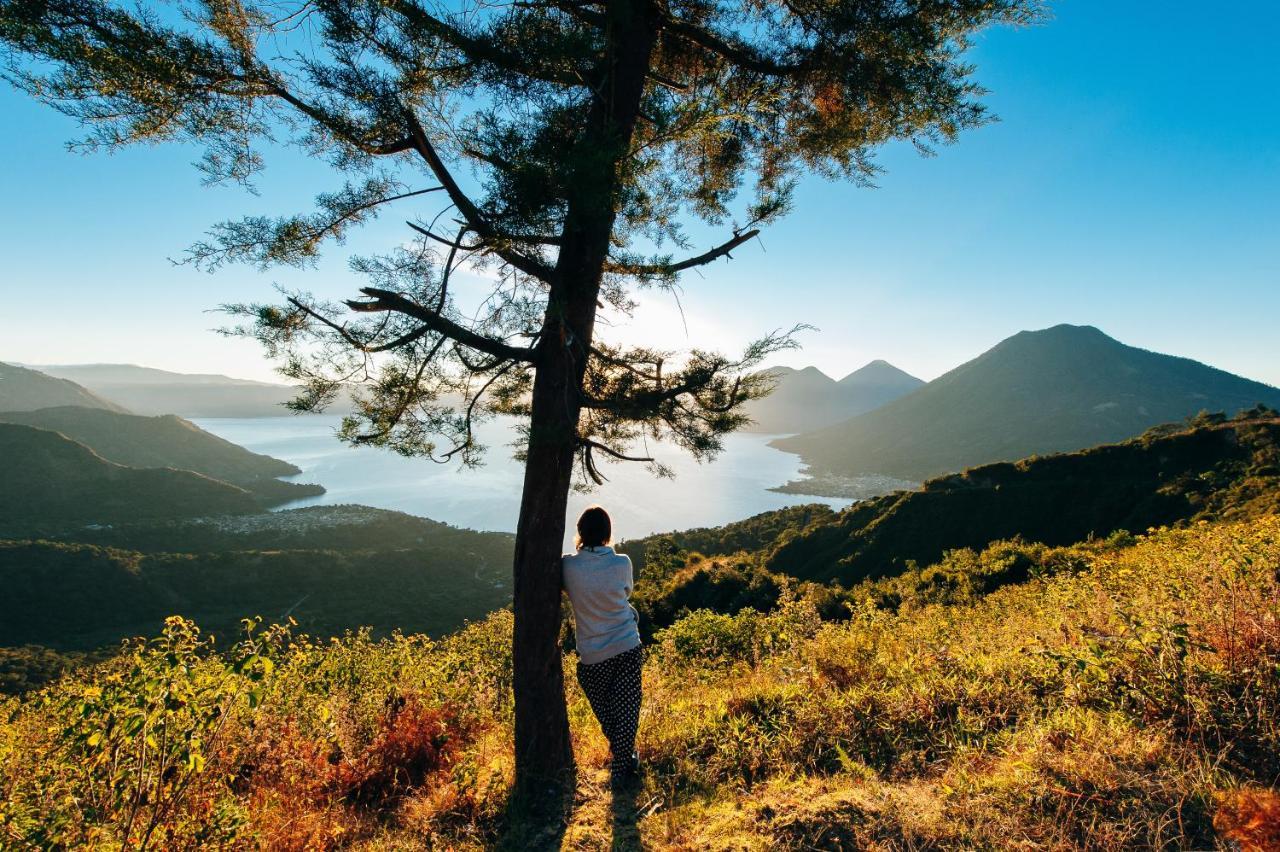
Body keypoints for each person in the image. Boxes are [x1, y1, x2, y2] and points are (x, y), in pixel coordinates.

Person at [562, 505, 643, 784]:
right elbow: (626, 592)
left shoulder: (567, 566)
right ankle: (625, 762)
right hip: (626, 646)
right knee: (627, 712)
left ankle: (623, 767)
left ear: (580, 532)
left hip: (592, 655)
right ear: (608, 532)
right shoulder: (622, 563)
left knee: (609, 716)